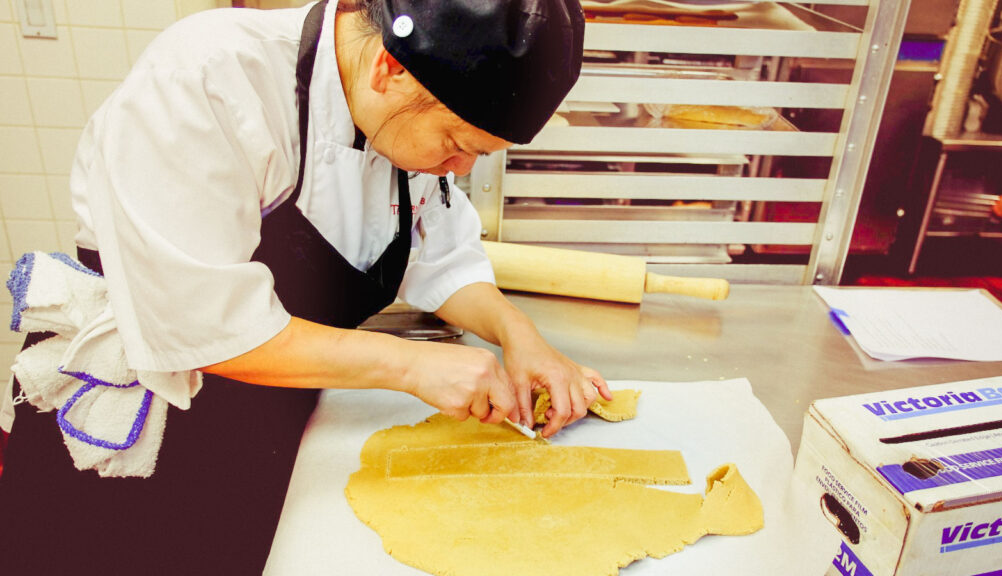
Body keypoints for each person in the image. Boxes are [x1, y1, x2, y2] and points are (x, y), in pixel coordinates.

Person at [0, 0, 609, 573]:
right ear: (387, 69)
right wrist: (411, 366)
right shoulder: (210, 77)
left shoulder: (405, 119)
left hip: (269, 416)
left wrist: (517, 333)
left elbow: (439, 256)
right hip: (144, 429)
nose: (461, 169)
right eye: (456, 144)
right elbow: (204, 330)